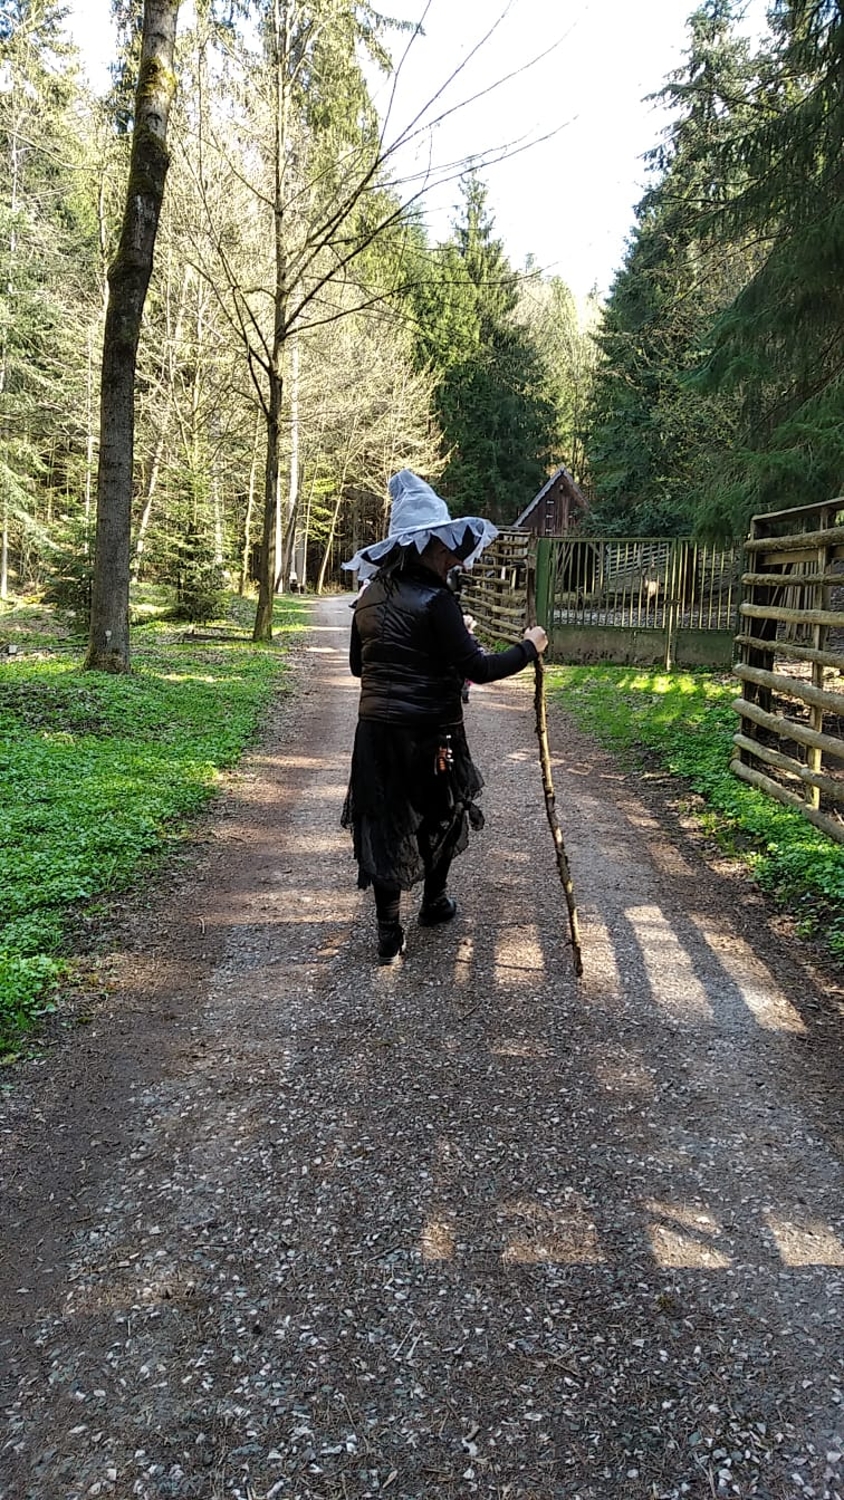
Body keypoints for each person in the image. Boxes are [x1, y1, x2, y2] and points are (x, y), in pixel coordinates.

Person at [341, 469, 548, 966]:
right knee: (442, 813)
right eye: (447, 546)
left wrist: (436, 644)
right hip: (431, 734)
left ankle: (389, 931)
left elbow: (359, 666)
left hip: (375, 734)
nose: (455, 557)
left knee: (386, 821)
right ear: (426, 546)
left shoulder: (367, 598)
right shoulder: (437, 601)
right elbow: (478, 668)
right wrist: (529, 647)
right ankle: (433, 902)